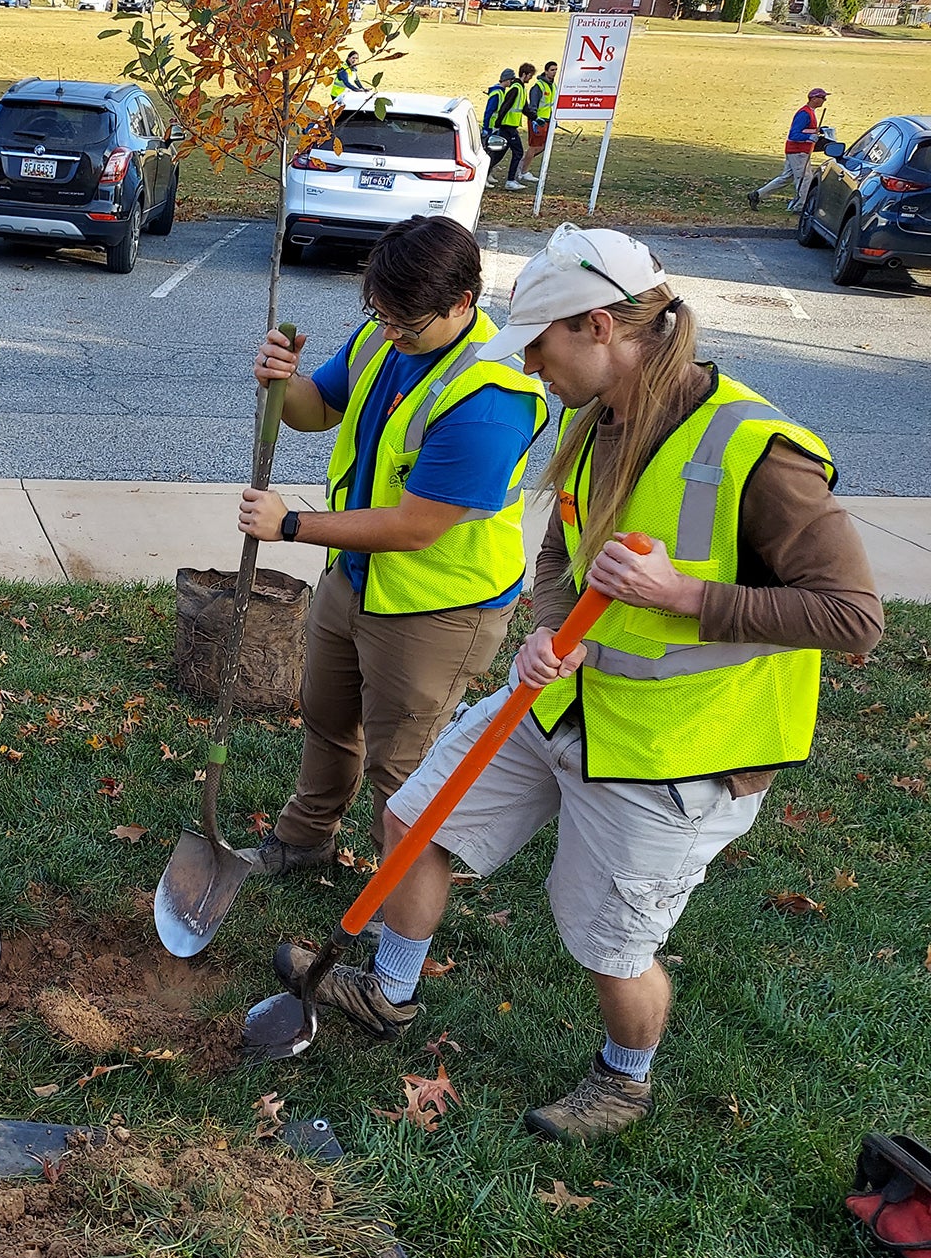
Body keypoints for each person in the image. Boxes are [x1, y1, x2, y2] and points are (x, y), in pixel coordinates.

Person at [269, 224, 883, 1141]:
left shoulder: (761, 453)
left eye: (544, 349)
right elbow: (561, 550)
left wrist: (688, 595)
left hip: (676, 750)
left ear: (599, 327)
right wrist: (553, 632)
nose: (537, 371)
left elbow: (854, 619)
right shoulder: (601, 420)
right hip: (560, 700)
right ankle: (392, 990)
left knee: (608, 942)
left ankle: (624, 1078)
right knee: (416, 816)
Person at [237, 214, 546, 879]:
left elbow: (415, 527)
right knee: (325, 717)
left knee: (400, 764)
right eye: (381, 316)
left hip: (437, 606)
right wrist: (281, 380)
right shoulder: (386, 333)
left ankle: (393, 899)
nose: (391, 335)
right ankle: (304, 840)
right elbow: (319, 406)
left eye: (407, 324)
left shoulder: (492, 398)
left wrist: (292, 526)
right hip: (355, 578)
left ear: (463, 302)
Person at [749, 88, 828, 212]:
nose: (824, 100)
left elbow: (804, 130)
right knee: (805, 179)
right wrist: (809, 137)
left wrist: (818, 131)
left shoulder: (809, 112)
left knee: (786, 177)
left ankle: (757, 195)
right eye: (822, 98)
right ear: (814, 98)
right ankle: (799, 207)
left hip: (797, 151)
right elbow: (794, 135)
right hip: (798, 152)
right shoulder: (805, 113)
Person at [484, 68, 528, 189]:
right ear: (508, 80)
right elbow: (491, 111)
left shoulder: (503, 91)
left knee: (497, 152)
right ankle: (490, 177)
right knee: (497, 152)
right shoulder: (499, 92)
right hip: (497, 127)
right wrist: (487, 127)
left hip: (500, 126)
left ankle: (487, 175)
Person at [528, 60, 557, 156]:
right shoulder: (538, 86)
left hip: (548, 120)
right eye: (552, 70)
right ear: (546, 71)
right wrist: (534, 119)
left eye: (556, 70)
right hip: (538, 120)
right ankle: (522, 168)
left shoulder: (554, 86)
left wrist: (554, 119)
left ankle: (522, 165)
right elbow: (533, 104)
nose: (554, 72)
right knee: (534, 146)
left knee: (544, 146)